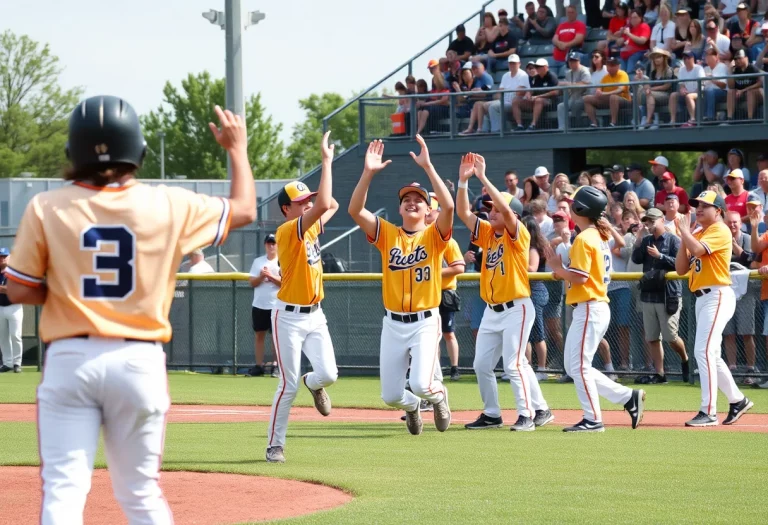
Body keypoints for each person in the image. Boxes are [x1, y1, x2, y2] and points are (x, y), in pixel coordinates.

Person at [5, 98, 257, 523]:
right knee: (140, 493)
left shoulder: (46, 206)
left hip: (70, 359)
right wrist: (237, 149)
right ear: (138, 152)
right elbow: (245, 209)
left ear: (72, 152)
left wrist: (73, 294)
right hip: (139, 359)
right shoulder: (170, 204)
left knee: (64, 491)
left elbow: (19, 288)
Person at [349, 136, 453, 436]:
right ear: (400, 209)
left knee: (422, 384)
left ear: (426, 208)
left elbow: (448, 207)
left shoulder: (434, 236)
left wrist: (428, 166)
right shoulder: (387, 234)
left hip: (424, 320)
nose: (411, 201)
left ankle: (439, 396)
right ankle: (412, 408)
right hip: (393, 323)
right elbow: (356, 210)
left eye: (418, 199)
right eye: (406, 199)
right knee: (391, 396)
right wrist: (368, 172)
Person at [456, 153, 553, 432]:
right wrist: (464, 182)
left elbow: (508, 212)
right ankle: (493, 413)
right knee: (481, 365)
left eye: (496, 208)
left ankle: (526, 416)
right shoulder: (487, 234)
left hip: (517, 307)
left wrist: (483, 177)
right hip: (492, 309)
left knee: (512, 364)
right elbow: (463, 213)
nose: (491, 211)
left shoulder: (518, 232)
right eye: (489, 207)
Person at [544, 186, 646, 432]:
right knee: (574, 366)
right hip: (593, 305)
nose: (569, 207)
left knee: (578, 366)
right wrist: (563, 272)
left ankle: (593, 419)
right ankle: (626, 397)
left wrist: (558, 268)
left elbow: (579, 277)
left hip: (590, 306)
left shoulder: (585, 238)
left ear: (581, 209)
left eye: (572, 203)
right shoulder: (596, 236)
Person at [267, 133, 340, 463]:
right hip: (288, 317)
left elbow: (331, 204)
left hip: (315, 314)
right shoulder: (287, 231)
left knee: (329, 375)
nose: (308, 204)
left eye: (308, 200)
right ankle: (275, 445)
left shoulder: (308, 227)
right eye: (301, 202)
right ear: (287, 209)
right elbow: (326, 205)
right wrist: (326, 161)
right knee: (288, 384)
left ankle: (316, 384)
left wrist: (317, 202)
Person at [674, 191, 754, 426]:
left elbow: (698, 251)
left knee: (703, 351)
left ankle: (708, 411)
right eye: (697, 205)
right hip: (702, 298)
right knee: (712, 354)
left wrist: (686, 233)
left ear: (718, 210)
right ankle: (738, 400)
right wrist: (683, 237)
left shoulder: (720, 229)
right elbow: (680, 269)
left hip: (717, 294)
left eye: (704, 205)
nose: (698, 208)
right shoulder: (698, 232)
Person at [631, 208, 690, 384]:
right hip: (649, 293)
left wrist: (660, 255)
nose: (648, 224)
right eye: (647, 221)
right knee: (652, 338)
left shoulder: (674, 240)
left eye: (652, 220)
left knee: (671, 337)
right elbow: (636, 259)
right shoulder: (647, 239)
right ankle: (660, 374)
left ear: (661, 220)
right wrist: (638, 239)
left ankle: (685, 359)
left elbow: (682, 265)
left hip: (668, 294)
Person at [429, 193, 466, 382]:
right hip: (426, 292)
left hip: (445, 292)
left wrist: (434, 272)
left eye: (431, 211)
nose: (427, 215)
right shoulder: (419, 239)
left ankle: (454, 367)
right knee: (431, 335)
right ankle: (433, 367)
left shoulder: (449, 241)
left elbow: (459, 267)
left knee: (448, 333)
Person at [723, 211, 757, 378]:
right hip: (726, 291)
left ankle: (751, 369)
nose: (732, 225)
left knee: (747, 332)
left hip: (746, 292)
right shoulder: (720, 240)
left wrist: (735, 246)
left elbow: (750, 259)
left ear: (740, 223)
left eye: (735, 222)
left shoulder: (749, 239)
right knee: (728, 333)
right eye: (729, 222)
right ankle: (732, 368)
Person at [523, 216, 552, 382]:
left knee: (537, 333)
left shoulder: (532, 249)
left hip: (536, 291)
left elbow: (532, 269)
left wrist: (515, 260)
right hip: (528, 292)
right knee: (526, 334)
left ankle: (542, 368)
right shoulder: (525, 247)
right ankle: (527, 366)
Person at [247, 234, 281, 378]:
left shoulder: (282, 261)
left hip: (277, 304)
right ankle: (259, 366)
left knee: (276, 337)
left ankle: (275, 366)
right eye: (268, 243)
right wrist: (262, 276)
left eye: (273, 243)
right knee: (259, 335)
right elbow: (252, 282)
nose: (271, 245)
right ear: (265, 245)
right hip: (260, 305)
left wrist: (271, 276)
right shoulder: (258, 261)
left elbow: (285, 283)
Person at [0, 248, 23, 373]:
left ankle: (17, 363)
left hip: (15, 307)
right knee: (3, 337)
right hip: (0, 307)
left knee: (16, 335)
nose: (2, 258)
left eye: (5, 256)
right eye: (0, 256)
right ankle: (7, 363)